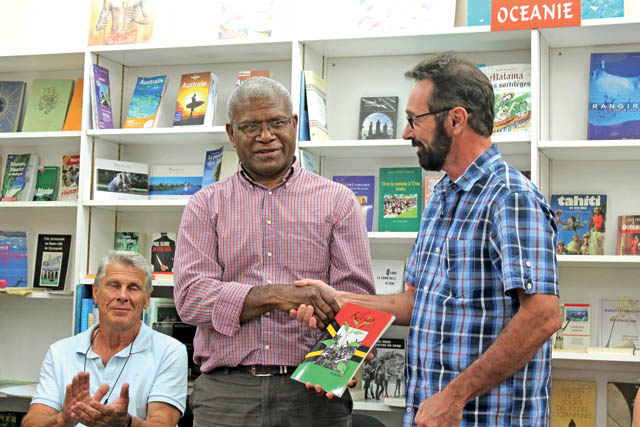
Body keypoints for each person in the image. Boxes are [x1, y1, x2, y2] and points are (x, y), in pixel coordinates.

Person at [292, 53, 561, 426]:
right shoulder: (441, 198)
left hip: (485, 417)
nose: (406, 133)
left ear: (456, 119)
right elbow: (419, 303)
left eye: (414, 120)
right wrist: (340, 300)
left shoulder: (510, 197)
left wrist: (454, 397)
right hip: (429, 414)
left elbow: (543, 315)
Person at [173, 76, 375, 427]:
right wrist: (276, 296)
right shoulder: (205, 205)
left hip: (312, 393)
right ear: (231, 133)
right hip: (227, 395)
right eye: (251, 126)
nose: (266, 135)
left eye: (277, 122)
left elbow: (357, 301)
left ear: (294, 124)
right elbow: (191, 298)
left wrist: (334, 369)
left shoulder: (338, 201)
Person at [23, 251, 188, 427]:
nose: (122, 296)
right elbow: (31, 422)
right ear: (96, 292)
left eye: (133, 288)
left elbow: (162, 423)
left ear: (147, 299)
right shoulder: (60, 352)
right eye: (114, 286)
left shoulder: (170, 351)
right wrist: (63, 420)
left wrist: (126, 423)